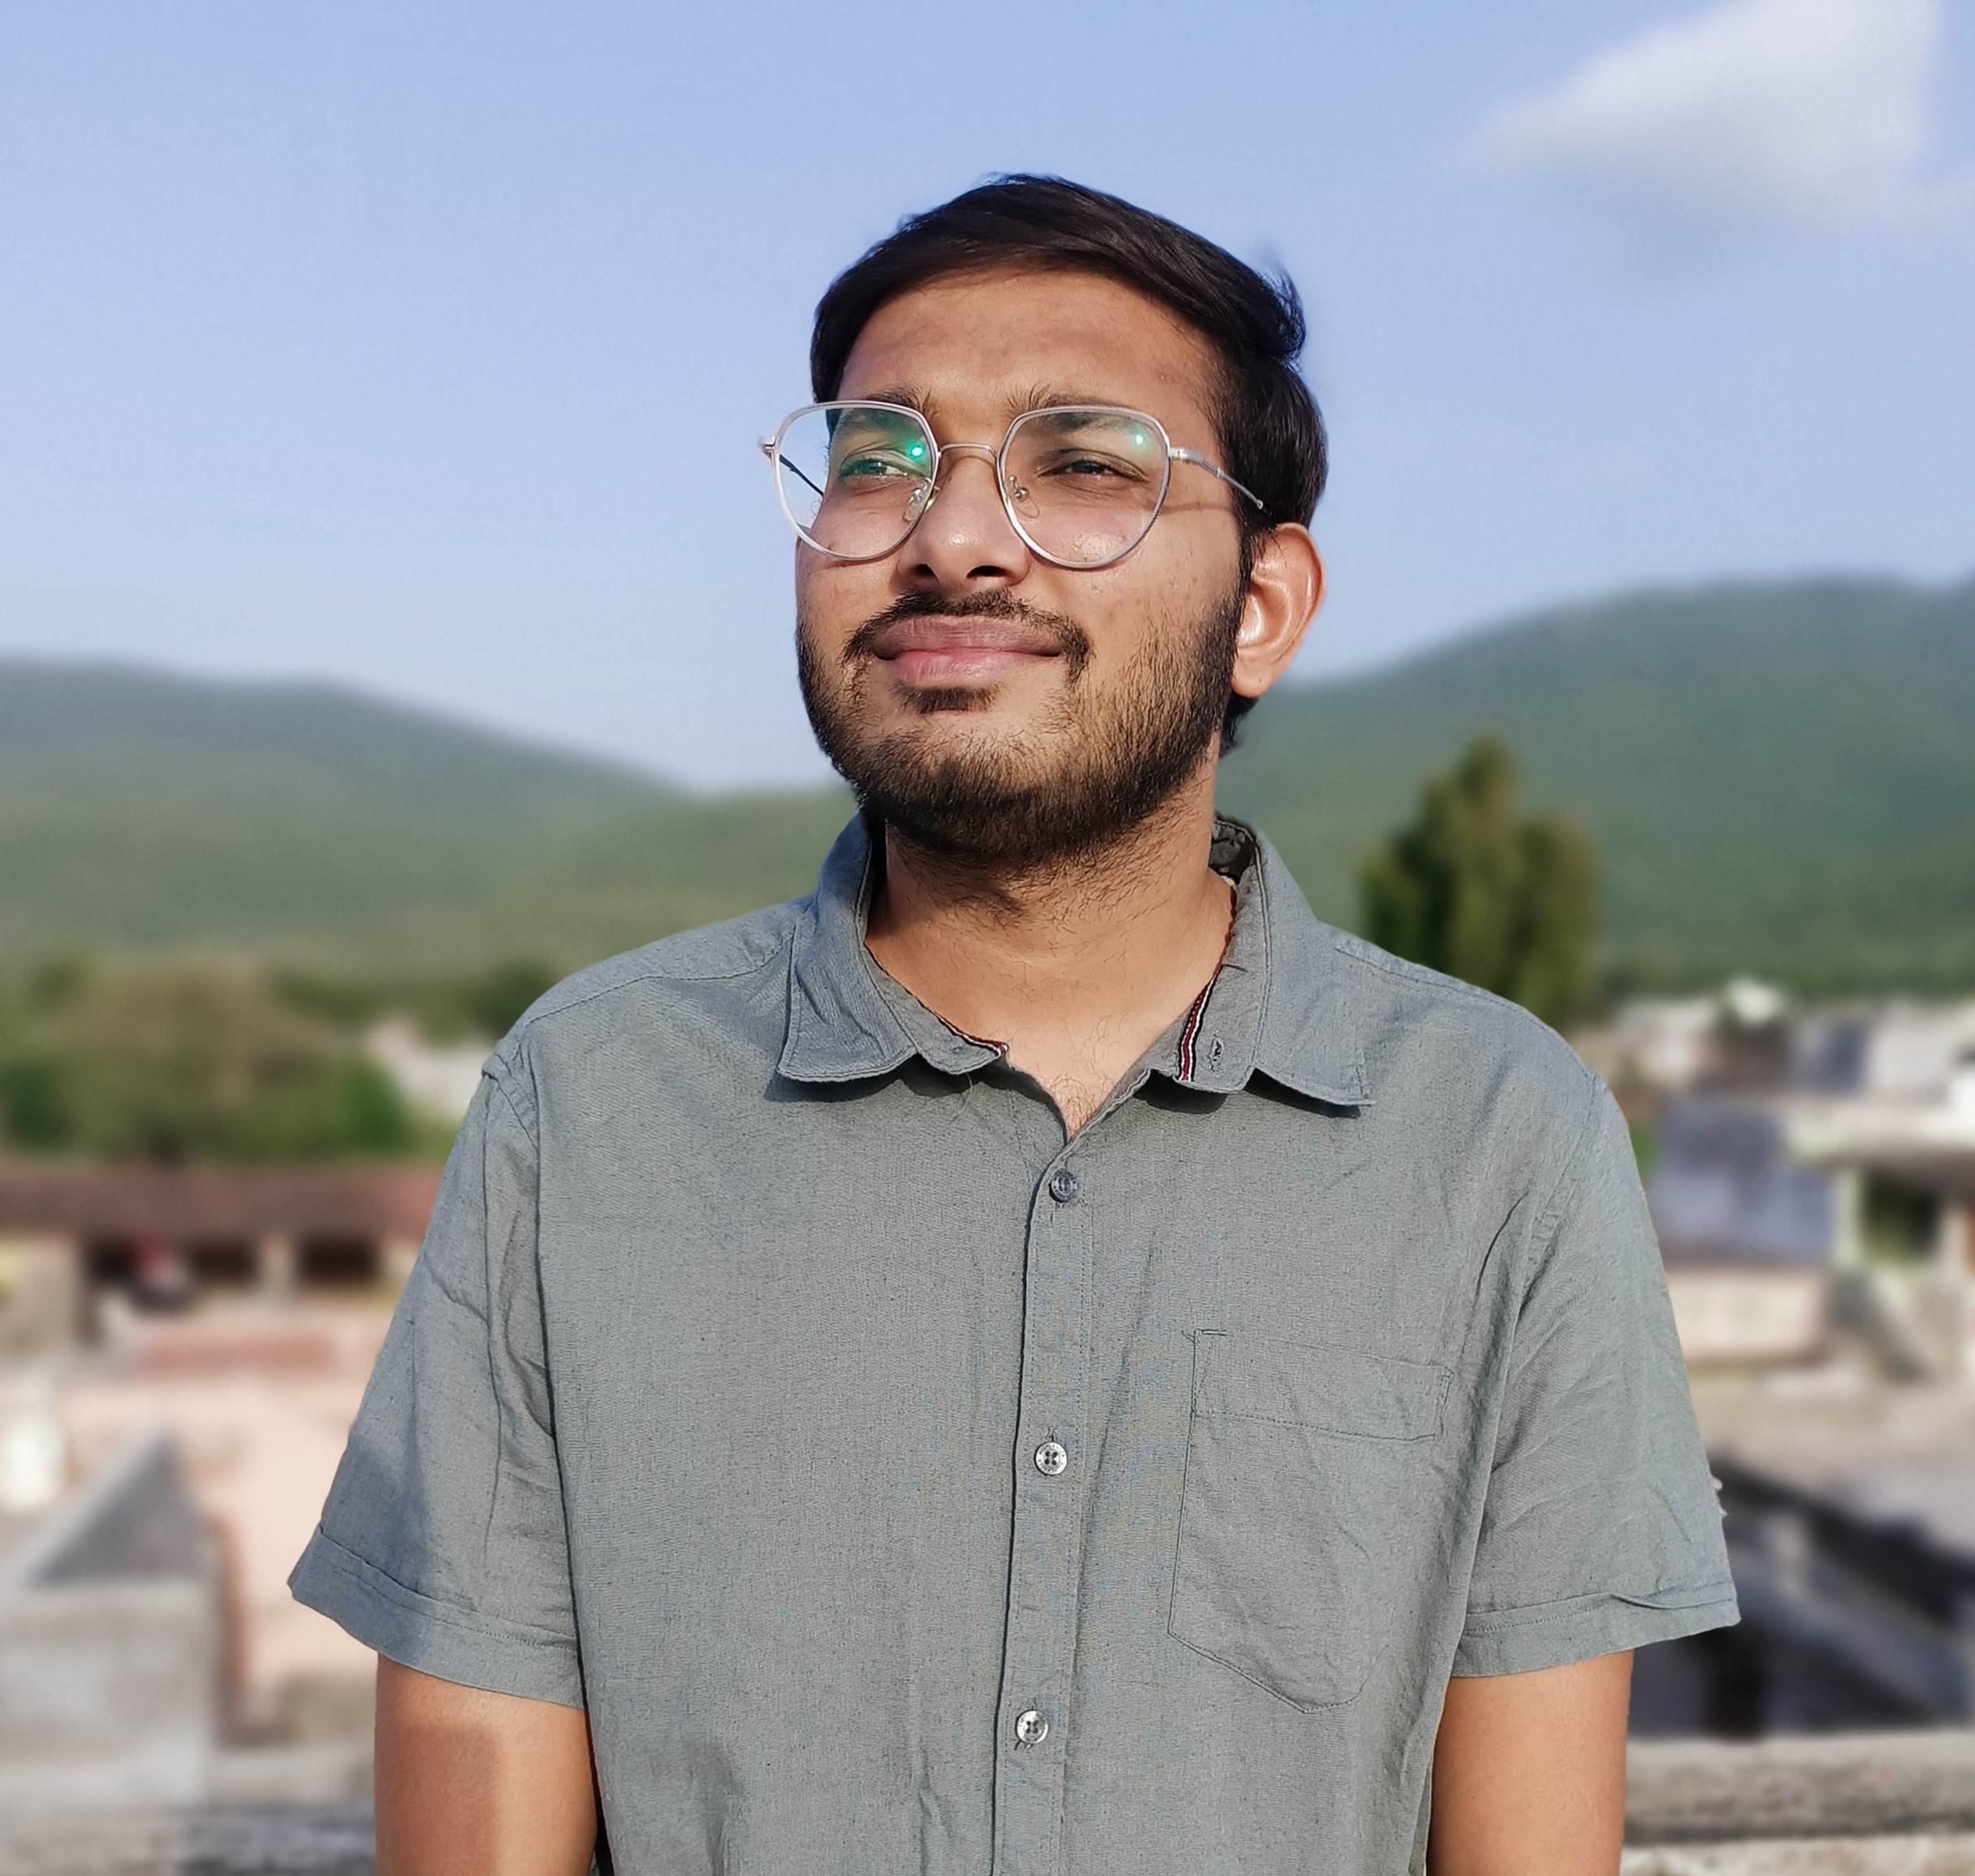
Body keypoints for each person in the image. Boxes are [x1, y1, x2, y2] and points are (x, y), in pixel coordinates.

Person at [291, 173, 1738, 1876]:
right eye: (877, 460)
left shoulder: (1497, 1136)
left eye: (1083, 464)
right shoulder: (590, 1103)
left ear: (1262, 606)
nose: (952, 539)